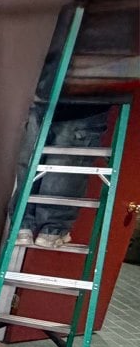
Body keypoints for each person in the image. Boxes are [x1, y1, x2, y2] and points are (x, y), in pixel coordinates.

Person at [15, 105, 109, 248]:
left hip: (40, 95)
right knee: (67, 164)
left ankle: (22, 226)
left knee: (31, 157)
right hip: (85, 104)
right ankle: (52, 231)